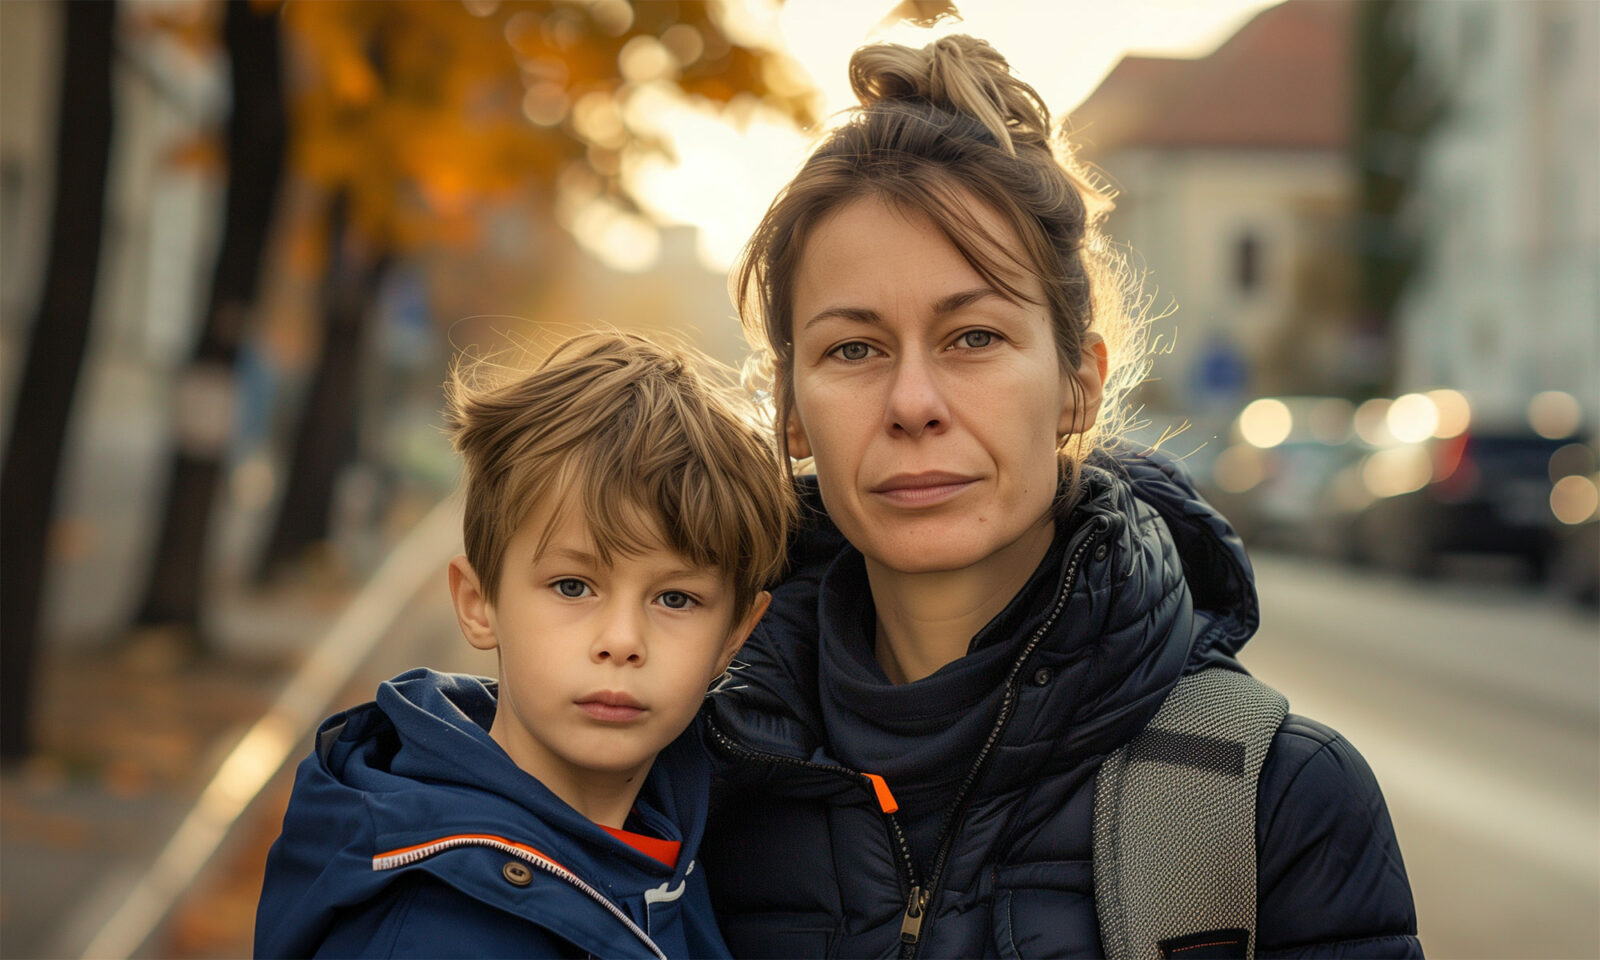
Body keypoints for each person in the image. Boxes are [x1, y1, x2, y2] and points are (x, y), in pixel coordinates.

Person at [700, 35, 1423, 958]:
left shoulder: (1268, 802)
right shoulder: (692, 780)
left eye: (973, 338)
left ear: (1078, 383)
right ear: (792, 409)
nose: (913, 403)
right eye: (853, 349)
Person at [255, 332, 794, 958]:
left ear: (735, 634)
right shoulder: (425, 932)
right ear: (479, 604)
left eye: (675, 599)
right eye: (573, 585)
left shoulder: (681, 856)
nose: (622, 642)